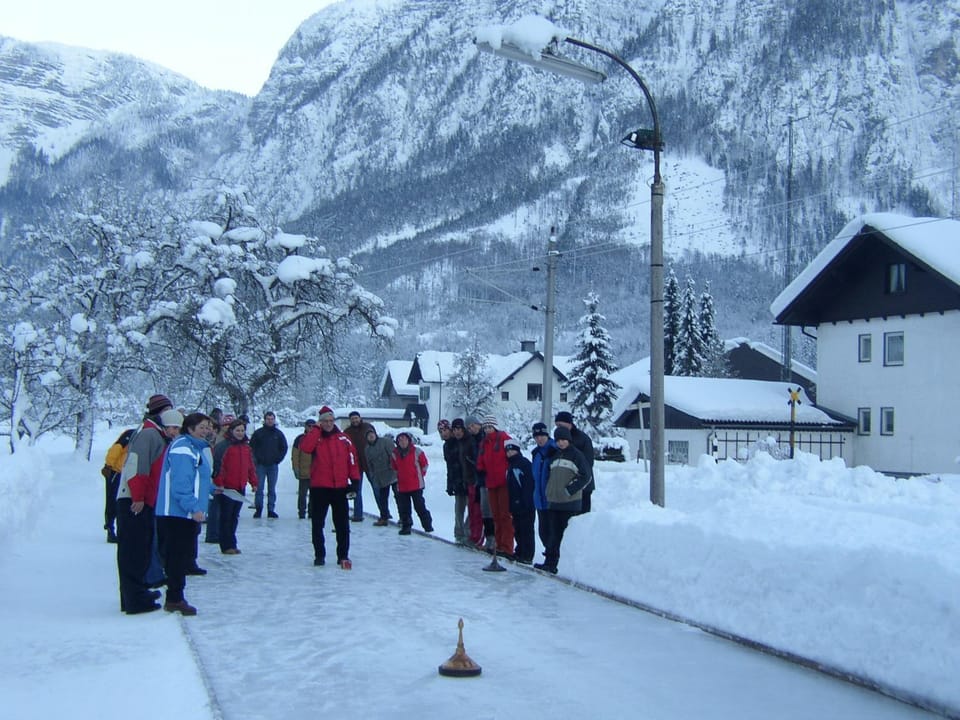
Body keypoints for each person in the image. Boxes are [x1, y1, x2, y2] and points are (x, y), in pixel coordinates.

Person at [115, 394, 176, 615]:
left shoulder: (152, 432)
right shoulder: (149, 434)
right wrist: (138, 498)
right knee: (134, 550)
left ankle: (137, 591)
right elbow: (136, 467)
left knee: (139, 548)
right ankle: (135, 598)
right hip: (134, 500)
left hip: (141, 499)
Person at [155, 412, 214, 615]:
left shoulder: (194, 447)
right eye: (202, 427)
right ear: (189, 429)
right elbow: (181, 483)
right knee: (177, 557)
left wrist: (213, 488)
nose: (206, 431)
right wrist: (194, 507)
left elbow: (198, 478)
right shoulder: (183, 448)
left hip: (184, 512)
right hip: (178, 513)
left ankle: (176, 596)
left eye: (208, 427)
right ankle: (174, 598)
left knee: (180, 556)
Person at [299, 406, 359, 568]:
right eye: (325, 421)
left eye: (331, 421)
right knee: (318, 523)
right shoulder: (316, 437)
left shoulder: (343, 439)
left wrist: (354, 481)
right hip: (320, 487)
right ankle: (319, 555)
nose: (328, 424)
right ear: (320, 422)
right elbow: (305, 448)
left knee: (342, 525)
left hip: (340, 487)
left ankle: (343, 555)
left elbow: (352, 460)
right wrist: (316, 430)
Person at [535, 426, 591, 575]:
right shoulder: (555, 455)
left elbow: (586, 476)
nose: (561, 443)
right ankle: (550, 562)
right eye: (558, 440)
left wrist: (569, 490)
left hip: (569, 503)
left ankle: (564, 565)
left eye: (564, 440)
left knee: (563, 536)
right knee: (552, 534)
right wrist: (549, 491)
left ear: (569, 440)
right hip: (554, 502)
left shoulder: (576, 455)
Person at [212, 418, 259, 554]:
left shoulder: (246, 448)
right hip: (226, 488)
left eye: (242, 431)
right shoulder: (224, 446)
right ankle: (226, 545)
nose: (240, 433)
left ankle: (232, 543)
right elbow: (219, 467)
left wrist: (254, 482)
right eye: (237, 430)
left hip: (240, 486)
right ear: (231, 431)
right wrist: (219, 483)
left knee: (234, 517)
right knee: (226, 517)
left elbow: (250, 467)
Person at [475, 415, 513, 556]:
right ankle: (498, 544)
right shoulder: (484, 442)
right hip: (490, 482)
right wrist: (480, 470)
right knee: (495, 515)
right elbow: (481, 459)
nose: (488, 430)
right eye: (485, 428)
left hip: (503, 482)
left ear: (495, 427)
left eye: (490, 427)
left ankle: (507, 546)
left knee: (505, 515)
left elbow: (512, 455)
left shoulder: (504, 438)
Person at [390, 432, 433, 535]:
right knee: (404, 509)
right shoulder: (394, 454)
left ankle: (428, 526)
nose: (402, 442)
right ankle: (406, 527)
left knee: (419, 507)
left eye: (405, 439)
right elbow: (394, 467)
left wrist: (419, 475)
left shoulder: (417, 451)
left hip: (416, 485)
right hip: (402, 486)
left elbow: (425, 465)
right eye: (400, 440)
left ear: (409, 441)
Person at [249, 411, 288, 518]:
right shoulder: (258, 433)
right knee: (259, 488)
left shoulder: (278, 434)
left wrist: (278, 459)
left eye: (272, 419)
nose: (270, 421)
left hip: (273, 466)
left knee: (272, 489)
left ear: (274, 420)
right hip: (260, 465)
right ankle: (258, 509)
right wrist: (256, 460)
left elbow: (284, 448)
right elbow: (251, 448)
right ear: (264, 420)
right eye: (268, 419)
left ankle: (271, 510)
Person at [555, 411, 595, 513]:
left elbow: (588, 464)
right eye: (557, 425)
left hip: (582, 487)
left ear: (569, 424)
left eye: (560, 424)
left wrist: (574, 484)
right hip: (565, 487)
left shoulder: (583, 439)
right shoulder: (558, 439)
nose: (558, 427)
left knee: (581, 520)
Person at [101, 428, 136, 543]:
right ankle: (110, 528)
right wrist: (108, 465)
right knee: (112, 501)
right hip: (116, 472)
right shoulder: (131, 434)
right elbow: (116, 448)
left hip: (127, 473)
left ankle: (123, 530)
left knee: (123, 502)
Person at [504, 438, 535, 564]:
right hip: (515, 503)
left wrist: (525, 501)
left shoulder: (523, 464)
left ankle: (527, 554)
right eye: (508, 451)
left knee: (526, 529)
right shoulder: (510, 466)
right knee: (518, 528)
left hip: (525, 503)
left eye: (512, 450)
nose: (510, 453)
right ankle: (520, 550)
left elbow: (528, 484)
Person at [342, 410, 375, 522]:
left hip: (369, 463)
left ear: (360, 418)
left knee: (377, 489)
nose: (355, 420)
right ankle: (357, 514)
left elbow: (375, 441)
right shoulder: (347, 432)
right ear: (350, 420)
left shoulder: (368, 427)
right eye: (352, 419)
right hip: (356, 465)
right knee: (357, 490)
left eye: (356, 418)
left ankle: (384, 513)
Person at [529, 421, 556, 552]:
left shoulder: (554, 450)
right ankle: (548, 556)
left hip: (551, 499)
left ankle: (552, 559)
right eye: (536, 437)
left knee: (552, 532)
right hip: (539, 499)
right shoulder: (536, 453)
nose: (539, 439)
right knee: (543, 532)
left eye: (542, 436)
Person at [439, 419, 467, 543]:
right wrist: (450, 484)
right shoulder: (446, 446)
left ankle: (467, 533)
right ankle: (459, 534)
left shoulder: (459, 442)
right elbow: (449, 467)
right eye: (441, 431)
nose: (443, 433)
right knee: (458, 509)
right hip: (456, 481)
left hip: (467, 479)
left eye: (445, 430)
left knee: (473, 508)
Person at [364, 426, 397, 526]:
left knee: (399, 498)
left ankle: (404, 518)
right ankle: (384, 517)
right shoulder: (367, 449)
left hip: (393, 474)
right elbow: (369, 464)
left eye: (372, 434)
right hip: (380, 477)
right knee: (383, 499)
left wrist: (393, 467)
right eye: (368, 435)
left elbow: (394, 455)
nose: (371, 436)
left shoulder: (385, 442)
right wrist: (373, 474)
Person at [464, 415, 489, 549]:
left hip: (482, 479)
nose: (471, 429)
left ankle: (479, 538)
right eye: (469, 428)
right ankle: (473, 536)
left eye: (473, 426)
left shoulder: (484, 439)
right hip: (473, 479)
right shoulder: (472, 440)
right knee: (473, 509)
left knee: (480, 511)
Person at [291, 419, 316, 519]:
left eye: (313, 426)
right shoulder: (300, 439)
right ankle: (301, 512)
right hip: (303, 471)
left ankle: (312, 512)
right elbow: (295, 455)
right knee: (302, 494)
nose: (311, 428)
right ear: (305, 427)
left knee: (314, 495)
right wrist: (296, 469)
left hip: (316, 472)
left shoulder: (318, 438)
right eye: (309, 426)